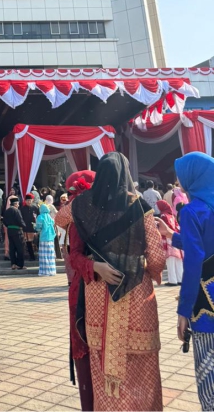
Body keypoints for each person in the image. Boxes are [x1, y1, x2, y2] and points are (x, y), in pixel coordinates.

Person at [70, 152, 165, 411]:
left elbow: (69, 242)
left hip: (98, 296)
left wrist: (95, 266)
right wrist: (149, 270)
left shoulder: (82, 207)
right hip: (136, 297)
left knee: (102, 364)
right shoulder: (140, 207)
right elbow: (157, 259)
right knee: (141, 368)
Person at [156, 153, 214, 411]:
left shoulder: (192, 211)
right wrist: (172, 235)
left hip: (206, 304)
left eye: (180, 176)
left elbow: (193, 263)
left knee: (209, 373)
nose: (178, 182)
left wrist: (183, 312)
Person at [54, 171, 96, 411]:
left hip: (83, 286)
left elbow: (72, 254)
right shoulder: (86, 211)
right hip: (96, 286)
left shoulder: (75, 212)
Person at [156, 200, 183, 286]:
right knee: (177, 260)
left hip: (168, 238)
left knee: (170, 261)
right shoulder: (172, 215)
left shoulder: (163, 215)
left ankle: (172, 280)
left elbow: (165, 228)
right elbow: (177, 227)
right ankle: (180, 279)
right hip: (175, 236)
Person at [3, 196, 27, 270]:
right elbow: (20, 220)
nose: (18, 205)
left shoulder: (7, 211)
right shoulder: (16, 211)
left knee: (12, 248)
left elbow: (4, 221)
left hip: (10, 230)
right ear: (15, 204)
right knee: (20, 248)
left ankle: (13, 264)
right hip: (17, 231)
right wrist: (24, 226)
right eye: (18, 203)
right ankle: (20, 265)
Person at [35, 204, 56, 276]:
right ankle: (52, 271)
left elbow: (38, 227)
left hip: (43, 238)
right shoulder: (49, 217)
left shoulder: (40, 217)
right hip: (51, 238)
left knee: (44, 255)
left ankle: (44, 271)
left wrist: (35, 227)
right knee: (50, 255)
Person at [20, 194, 38, 261]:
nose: (29, 202)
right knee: (28, 243)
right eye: (27, 200)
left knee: (36, 243)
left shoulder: (35, 208)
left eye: (30, 200)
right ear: (25, 201)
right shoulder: (22, 209)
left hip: (35, 228)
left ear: (32, 200)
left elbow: (38, 217)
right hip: (26, 228)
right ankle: (32, 256)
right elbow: (21, 218)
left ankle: (37, 256)